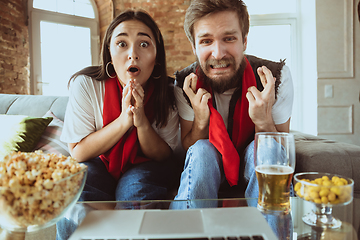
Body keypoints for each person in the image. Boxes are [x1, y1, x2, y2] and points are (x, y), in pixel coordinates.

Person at [56, 9, 179, 240]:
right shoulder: (86, 85)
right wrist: (124, 121)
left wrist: (141, 122)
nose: (132, 54)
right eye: (122, 44)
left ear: (157, 57)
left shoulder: (169, 93)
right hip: (98, 160)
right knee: (73, 189)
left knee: (136, 192)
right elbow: (78, 152)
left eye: (144, 44)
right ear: (109, 53)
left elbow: (163, 155)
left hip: (147, 163)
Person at [171, 0, 294, 207]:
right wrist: (201, 121)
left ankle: (273, 232)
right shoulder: (185, 84)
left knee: (266, 148)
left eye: (229, 38)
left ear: (244, 41)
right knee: (201, 150)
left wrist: (264, 122)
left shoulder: (276, 78)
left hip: (252, 164)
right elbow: (189, 150)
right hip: (211, 165)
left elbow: (281, 150)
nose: (218, 53)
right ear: (194, 46)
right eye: (206, 41)